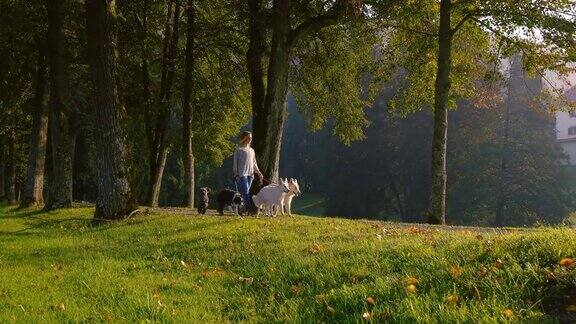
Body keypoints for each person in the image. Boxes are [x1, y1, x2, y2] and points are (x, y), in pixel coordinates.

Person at [233, 131, 263, 211]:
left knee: (245, 192)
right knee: (245, 191)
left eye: (251, 138)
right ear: (244, 138)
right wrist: (236, 175)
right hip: (242, 175)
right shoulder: (239, 150)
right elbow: (235, 164)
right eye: (248, 138)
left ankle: (241, 208)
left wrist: (258, 172)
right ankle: (250, 209)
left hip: (250, 175)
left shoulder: (251, 150)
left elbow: (254, 163)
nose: (250, 139)